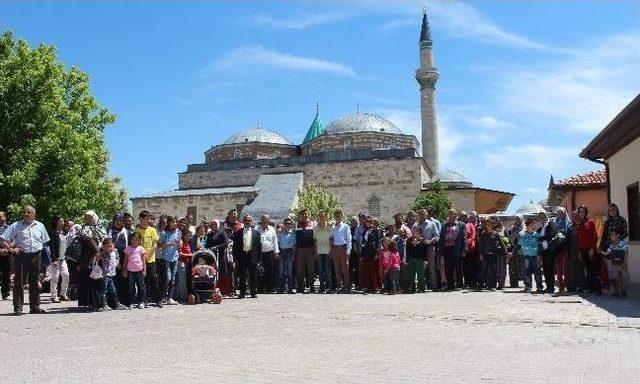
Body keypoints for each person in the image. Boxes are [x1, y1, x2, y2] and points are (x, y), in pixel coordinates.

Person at [0, 205, 50, 315]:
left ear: (34, 214)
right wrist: (11, 250)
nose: (26, 214)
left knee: (35, 282)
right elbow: (3, 239)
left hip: (36, 255)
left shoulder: (40, 226)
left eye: (29, 212)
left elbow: (45, 242)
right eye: (24, 212)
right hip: (21, 255)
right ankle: (18, 307)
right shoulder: (16, 225)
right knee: (19, 282)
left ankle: (35, 307)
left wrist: (47, 258)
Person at [78, 210, 105, 310]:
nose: (87, 219)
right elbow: (88, 240)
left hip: (99, 258)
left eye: (89, 217)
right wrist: (98, 251)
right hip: (89, 258)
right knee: (91, 281)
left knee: (98, 280)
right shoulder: (85, 229)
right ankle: (93, 303)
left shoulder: (100, 228)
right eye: (86, 217)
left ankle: (99, 302)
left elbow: (105, 239)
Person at [135, 210, 163, 308]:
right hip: (139, 261)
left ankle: (158, 300)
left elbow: (156, 244)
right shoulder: (136, 231)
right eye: (147, 218)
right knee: (142, 282)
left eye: (149, 219)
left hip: (151, 260)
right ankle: (142, 300)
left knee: (153, 279)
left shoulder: (152, 230)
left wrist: (148, 254)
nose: (149, 220)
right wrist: (142, 256)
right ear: (141, 219)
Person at [600, 203, 628, 293]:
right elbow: (604, 235)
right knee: (611, 270)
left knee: (621, 270)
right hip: (609, 248)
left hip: (620, 248)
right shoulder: (607, 222)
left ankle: (622, 289)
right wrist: (601, 247)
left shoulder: (622, 220)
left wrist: (618, 238)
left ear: (617, 210)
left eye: (614, 210)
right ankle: (615, 290)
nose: (612, 212)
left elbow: (625, 232)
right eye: (610, 210)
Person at [232, 215, 261, 298]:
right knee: (242, 275)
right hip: (242, 256)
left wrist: (259, 259)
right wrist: (235, 258)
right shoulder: (238, 232)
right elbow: (235, 247)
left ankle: (253, 292)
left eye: (249, 220)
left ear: (251, 222)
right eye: (246, 220)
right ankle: (242, 293)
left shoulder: (256, 232)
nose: (247, 222)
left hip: (252, 256)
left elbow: (259, 247)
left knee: (253, 275)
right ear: (243, 221)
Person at [438, 209, 467, 291]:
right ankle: (450, 285)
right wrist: (440, 250)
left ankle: (459, 285)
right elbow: (441, 238)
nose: (451, 215)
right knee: (448, 268)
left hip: (457, 248)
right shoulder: (444, 225)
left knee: (458, 268)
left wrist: (464, 249)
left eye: (453, 214)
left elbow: (464, 238)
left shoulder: (461, 225)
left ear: (456, 215)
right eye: (450, 214)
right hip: (447, 248)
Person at [108, 213, 131, 306]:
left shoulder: (128, 232)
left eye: (120, 220)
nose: (118, 222)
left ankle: (125, 301)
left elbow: (130, 247)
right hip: (111, 260)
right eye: (116, 220)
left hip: (125, 259)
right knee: (113, 281)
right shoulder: (109, 231)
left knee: (124, 280)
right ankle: (113, 302)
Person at [576, 205, 600, 294]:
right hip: (582, 250)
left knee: (592, 269)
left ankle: (596, 289)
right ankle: (590, 288)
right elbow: (579, 239)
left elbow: (594, 236)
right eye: (580, 212)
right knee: (586, 270)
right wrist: (579, 251)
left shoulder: (591, 222)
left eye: (583, 212)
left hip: (590, 249)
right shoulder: (579, 224)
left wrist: (592, 249)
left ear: (586, 212)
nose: (581, 213)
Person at [478, 218, 506, 291]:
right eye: (487, 224)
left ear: (492, 225)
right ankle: (481, 284)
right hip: (485, 254)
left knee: (493, 270)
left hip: (493, 254)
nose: (489, 226)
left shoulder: (496, 234)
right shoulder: (483, 234)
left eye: (490, 224)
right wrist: (481, 254)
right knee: (484, 270)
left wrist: (505, 253)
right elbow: (481, 245)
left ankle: (492, 285)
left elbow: (501, 244)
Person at [47, 215, 70, 303]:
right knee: (55, 277)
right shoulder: (52, 232)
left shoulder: (62, 232)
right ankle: (53, 296)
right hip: (55, 258)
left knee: (66, 275)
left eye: (63, 221)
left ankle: (63, 294)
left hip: (62, 258)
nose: (63, 223)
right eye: (61, 221)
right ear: (56, 222)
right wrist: (53, 259)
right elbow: (52, 246)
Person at [159, 216, 180, 305]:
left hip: (175, 257)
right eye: (173, 222)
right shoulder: (164, 233)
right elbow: (159, 246)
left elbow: (179, 244)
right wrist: (165, 244)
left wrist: (179, 245)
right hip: (166, 258)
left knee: (173, 279)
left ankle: (170, 298)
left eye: (176, 222)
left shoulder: (178, 232)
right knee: (168, 278)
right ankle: (162, 297)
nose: (175, 223)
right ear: (168, 223)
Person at [122, 232, 146, 309]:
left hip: (139, 271)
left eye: (136, 240)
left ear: (139, 240)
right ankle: (131, 302)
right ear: (130, 240)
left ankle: (141, 301)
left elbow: (143, 260)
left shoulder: (141, 248)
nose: (134, 241)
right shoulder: (128, 248)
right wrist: (124, 269)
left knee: (141, 287)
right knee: (131, 287)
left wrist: (144, 270)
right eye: (133, 239)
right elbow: (125, 260)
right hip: (130, 271)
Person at [602, 229, 629, 298]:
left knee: (625, 278)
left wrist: (625, 262)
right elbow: (607, 253)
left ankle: (623, 290)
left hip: (622, 264)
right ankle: (618, 291)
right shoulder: (611, 245)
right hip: (615, 264)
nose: (611, 236)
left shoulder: (623, 243)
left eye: (613, 235)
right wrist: (600, 252)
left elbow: (626, 252)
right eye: (611, 235)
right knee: (616, 278)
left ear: (618, 235)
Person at [294, 209, 316, 294]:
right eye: (303, 214)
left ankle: (312, 287)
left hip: (310, 249)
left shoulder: (313, 224)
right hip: (300, 250)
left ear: (309, 214)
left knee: (311, 269)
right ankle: (300, 287)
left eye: (306, 213)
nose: (304, 215)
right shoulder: (295, 224)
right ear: (300, 215)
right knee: (300, 270)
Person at [418, 209, 440, 291]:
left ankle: (434, 285)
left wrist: (430, 241)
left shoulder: (432, 224)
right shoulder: (417, 225)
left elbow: (437, 235)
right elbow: (415, 235)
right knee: (421, 267)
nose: (422, 216)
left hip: (430, 247)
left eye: (423, 214)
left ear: (426, 215)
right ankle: (422, 286)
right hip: (420, 247)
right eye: (420, 214)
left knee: (431, 267)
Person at [100, 238, 125, 309]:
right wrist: (102, 253)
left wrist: (119, 266)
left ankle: (117, 304)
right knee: (104, 290)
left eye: (110, 246)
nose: (109, 248)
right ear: (103, 247)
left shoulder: (115, 252)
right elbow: (97, 257)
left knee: (113, 290)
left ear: (114, 245)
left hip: (112, 274)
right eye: (106, 247)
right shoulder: (103, 254)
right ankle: (104, 305)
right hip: (105, 275)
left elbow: (117, 261)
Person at [330, 210, 352, 293]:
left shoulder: (346, 226)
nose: (338, 217)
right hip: (335, 248)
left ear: (342, 216)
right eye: (336, 216)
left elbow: (349, 239)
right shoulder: (333, 226)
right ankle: (340, 286)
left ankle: (347, 286)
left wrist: (348, 251)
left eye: (339, 216)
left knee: (345, 268)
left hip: (343, 248)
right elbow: (331, 237)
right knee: (337, 268)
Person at [257, 214, 279, 294]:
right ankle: (260, 288)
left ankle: (269, 288)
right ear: (261, 220)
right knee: (260, 271)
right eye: (263, 219)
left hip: (270, 253)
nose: (264, 220)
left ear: (269, 220)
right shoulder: (257, 229)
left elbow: (275, 241)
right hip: (260, 253)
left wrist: (276, 252)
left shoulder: (272, 229)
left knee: (270, 271)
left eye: (266, 219)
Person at [536, 211, 557, 294]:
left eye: (543, 217)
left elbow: (553, 233)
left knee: (550, 269)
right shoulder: (540, 228)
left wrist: (542, 238)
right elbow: (536, 236)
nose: (541, 219)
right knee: (545, 269)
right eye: (540, 217)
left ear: (546, 216)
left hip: (550, 250)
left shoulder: (550, 224)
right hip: (543, 251)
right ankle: (548, 287)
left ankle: (551, 287)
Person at [520, 219, 543, 293]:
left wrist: (539, 254)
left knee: (537, 272)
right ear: (527, 227)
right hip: (527, 257)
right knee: (527, 272)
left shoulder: (537, 235)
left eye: (533, 225)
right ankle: (528, 286)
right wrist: (512, 252)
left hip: (536, 256)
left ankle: (539, 287)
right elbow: (518, 245)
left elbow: (540, 246)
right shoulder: (524, 236)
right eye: (530, 225)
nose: (532, 226)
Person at [360, 215, 381, 293]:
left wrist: (377, 253)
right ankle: (368, 286)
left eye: (369, 222)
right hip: (366, 252)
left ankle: (375, 287)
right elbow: (363, 243)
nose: (368, 223)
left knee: (374, 270)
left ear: (372, 222)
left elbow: (378, 242)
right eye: (367, 222)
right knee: (367, 270)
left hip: (373, 252)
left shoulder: (376, 230)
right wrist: (362, 255)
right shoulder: (365, 231)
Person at [566, 211, 584, 293]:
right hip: (571, 251)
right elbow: (567, 240)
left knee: (580, 269)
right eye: (573, 216)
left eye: (576, 216)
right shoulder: (569, 227)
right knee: (571, 269)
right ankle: (572, 287)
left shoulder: (582, 226)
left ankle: (581, 286)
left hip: (581, 251)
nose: (575, 218)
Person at [313, 211, 332, 293]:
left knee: (327, 270)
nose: (322, 218)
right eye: (320, 216)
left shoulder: (329, 228)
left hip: (327, 251)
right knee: (320, 270)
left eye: (323, 216)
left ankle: (328, 286)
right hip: (319, 251)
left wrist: (331, 251)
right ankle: (321, 286)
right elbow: (314, 241)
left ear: (326, 218)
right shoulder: (315, 228)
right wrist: (315, 252)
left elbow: (331, 240)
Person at [406, 226, 428, 293]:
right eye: (414, 231)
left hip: (420, 259)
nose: (415, 233)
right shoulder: (409, 240)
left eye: (417, 231)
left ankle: (422, 288)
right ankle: (412, 288)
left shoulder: (422, 241)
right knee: (411, 275)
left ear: (420, 233)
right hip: (411, 259)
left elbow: (425, 252)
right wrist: (407, 260)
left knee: (420, 275)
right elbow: (408, 250)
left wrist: (425, 260)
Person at [553, 208, 571, 293]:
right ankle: (560, 283)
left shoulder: (568, 223)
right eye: (558, 212)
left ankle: (565, 283)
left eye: (562, 212)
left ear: (564, 213)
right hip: (557, 248)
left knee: (565, 267)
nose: (560, 214)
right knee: (558, 267)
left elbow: (569, 235)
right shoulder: (554, 223)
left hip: (565, 247)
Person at [278, 217, 296, 294]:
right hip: (282, 251)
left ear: (291, 225)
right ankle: (281, 288)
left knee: (289, 271)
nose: (288, 225)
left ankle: (290, 288)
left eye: (289, 224)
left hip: (290, 251)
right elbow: (278, 243)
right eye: (286, 224)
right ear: (283, 224)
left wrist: (293, 255)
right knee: (281, 271)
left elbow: (294, 245)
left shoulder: (293, 233)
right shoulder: (280, 233)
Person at [507, 215, 524, 288]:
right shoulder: (512, 228)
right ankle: (513, 283)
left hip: (521, 250)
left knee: (522, 267)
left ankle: (527, 283)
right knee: (512, 267)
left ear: (522, 219)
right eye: (516, 219)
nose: (517, 220)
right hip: (513, 250)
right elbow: (510, 238)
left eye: (519, 219)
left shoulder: (524, 228)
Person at [0, 211, 11, 300]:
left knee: (6, 274)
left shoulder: (9, 228)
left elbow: (13, 240)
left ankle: (6, 293)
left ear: (5, 217)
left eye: (1, 216)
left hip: (6, 253)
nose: (0, 218)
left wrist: (7, 249)